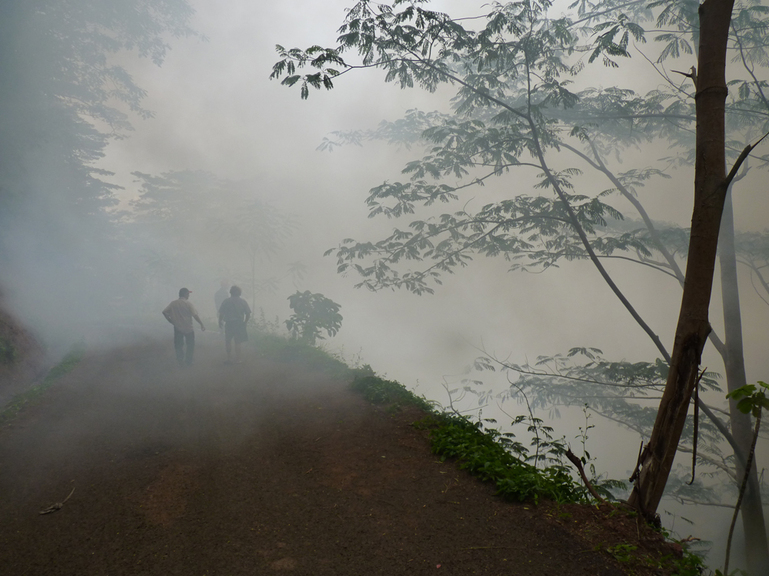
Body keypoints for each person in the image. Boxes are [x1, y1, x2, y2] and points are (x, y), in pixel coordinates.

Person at [162, 287, 206, 366]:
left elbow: (164, 312)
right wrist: (201, 324)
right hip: (188, 328)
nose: (189, 295)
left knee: (178, 345)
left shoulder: (173, 303)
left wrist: (170, 321)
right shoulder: (188, 304)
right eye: (188, 294)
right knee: (190, 345)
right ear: (185, 294)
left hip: (177, 327)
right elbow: (195, 315)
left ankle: (180, 360)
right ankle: (188, 361)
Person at [218, 285, 251, 364]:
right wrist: (245, 322)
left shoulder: (226, 301)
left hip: (229, 323)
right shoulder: (243, 301)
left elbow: (221, 313)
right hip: (239, 323)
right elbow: (248, 313)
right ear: (239, 293)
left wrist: (220, 321)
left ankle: (229, 358)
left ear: (231, 292)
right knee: (238, 342)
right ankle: (238, 359)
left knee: (228, 341)